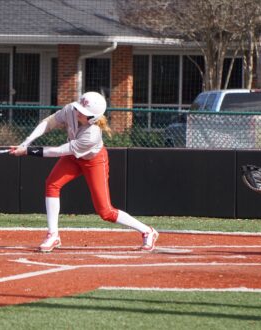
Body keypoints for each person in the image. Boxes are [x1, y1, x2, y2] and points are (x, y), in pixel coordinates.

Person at [9, 91, 159, 252]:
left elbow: (59, 151)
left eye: (84, 112)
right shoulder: (71, 110)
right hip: (73, 157)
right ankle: (53, 235)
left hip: (93, 161)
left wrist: (27, 151)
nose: (78, 113)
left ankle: (147, 231)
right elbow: (49, 122)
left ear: (93, 118)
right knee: (52, 184)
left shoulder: (92, 134)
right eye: (79, 108)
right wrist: (26, 142)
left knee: (105, 211)